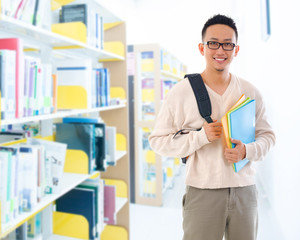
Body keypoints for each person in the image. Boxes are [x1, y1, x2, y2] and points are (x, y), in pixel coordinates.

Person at [148, 14, 276, 240]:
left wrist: (247, 150)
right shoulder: (181, 92)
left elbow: (268, 136)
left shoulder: (250, 91)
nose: (221, 50)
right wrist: (199, 137)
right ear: (202, 48)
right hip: (202, 192)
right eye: (213, 43)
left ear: (236, 50)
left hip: (245, 190)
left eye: (228, 44)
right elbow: (157, 141)